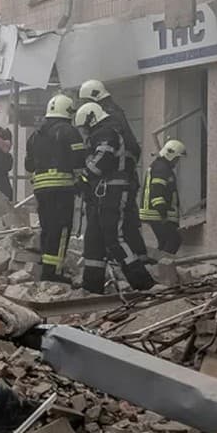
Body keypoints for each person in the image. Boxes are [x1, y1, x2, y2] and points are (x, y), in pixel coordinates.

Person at [77, 101, 155, 293]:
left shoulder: (106, 132)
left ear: (91, 119)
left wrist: (84, 176)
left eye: (84, 127)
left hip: (112, 192)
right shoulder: (101, 133)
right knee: (93, 240)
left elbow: (103, 159)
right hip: (101, 194)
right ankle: (91, 287)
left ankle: (143, 283)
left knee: (114, 238)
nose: (84, 132)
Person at [25, 93, 82, 283]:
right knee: (62, 229)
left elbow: (29, 166)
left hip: (41, 189)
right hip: (62, 188)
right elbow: (79, 159)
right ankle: (54, 273)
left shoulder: (35, 134)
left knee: (48, 228)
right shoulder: (69, 131)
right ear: (67, 111)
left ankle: (46, 267)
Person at [140, 140, 186, 255]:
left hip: (156, 214)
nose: (176, 162)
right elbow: (157, 193)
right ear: (170, 154)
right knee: (174, 240)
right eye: (176, 158)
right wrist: (163, 214)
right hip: (157, 214)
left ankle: (157, 268)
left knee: (164, 242)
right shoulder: (161, 169)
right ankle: (163, 268)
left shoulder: (160, 166)